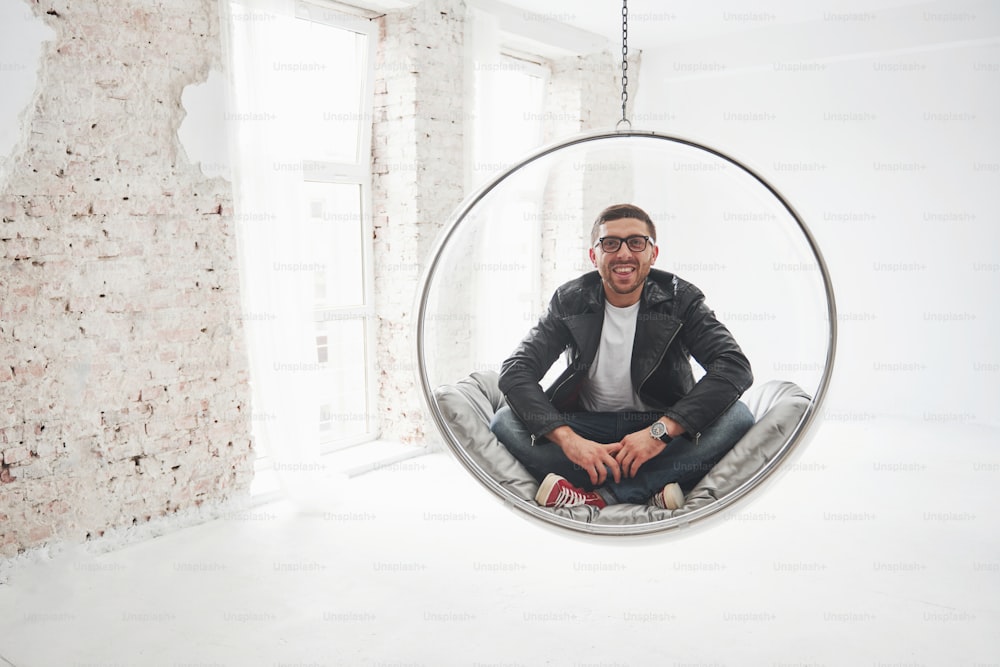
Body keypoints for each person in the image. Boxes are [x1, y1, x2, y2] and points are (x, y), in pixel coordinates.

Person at [489, 203, 755, 510]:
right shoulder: (569, 300)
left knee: (738, 417)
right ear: (594, 255)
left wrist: (658, 434)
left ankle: (602, 496)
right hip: (588, 426)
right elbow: (516, 370)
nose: (624, 253)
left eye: (636, 242)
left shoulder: (681, 299)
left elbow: (733, 367)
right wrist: (570, 442)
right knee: (505, 421)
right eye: (610, 243)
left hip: (660, 424)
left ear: (653, 254)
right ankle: (654, 485)